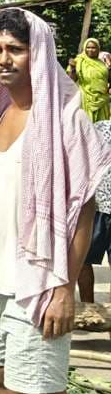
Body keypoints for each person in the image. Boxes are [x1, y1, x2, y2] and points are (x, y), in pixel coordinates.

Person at [0, 9, 111, 394]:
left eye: (16, 49)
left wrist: (64, 289)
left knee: (41, 390)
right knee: (5, 377)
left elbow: (83, 213)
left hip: (38, 282)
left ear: (37, 53)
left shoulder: (66, 121)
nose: (3, 59)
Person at [80, 121, 111, 303]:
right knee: (83, 259)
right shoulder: (97, 128)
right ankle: (88, 308)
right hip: (97, 207)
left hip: (98, 207)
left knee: (84, 260)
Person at [69, 37, 110, 122]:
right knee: (87, 125)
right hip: (86, 99)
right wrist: (73, 68)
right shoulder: (79, 61)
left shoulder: (102, 63)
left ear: (98, 49)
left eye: (93, 47)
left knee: (101, 127)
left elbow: (107, 79)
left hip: (102, 100)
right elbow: (71, 81)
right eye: (88, 47)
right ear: (84, 48)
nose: (91, 50)